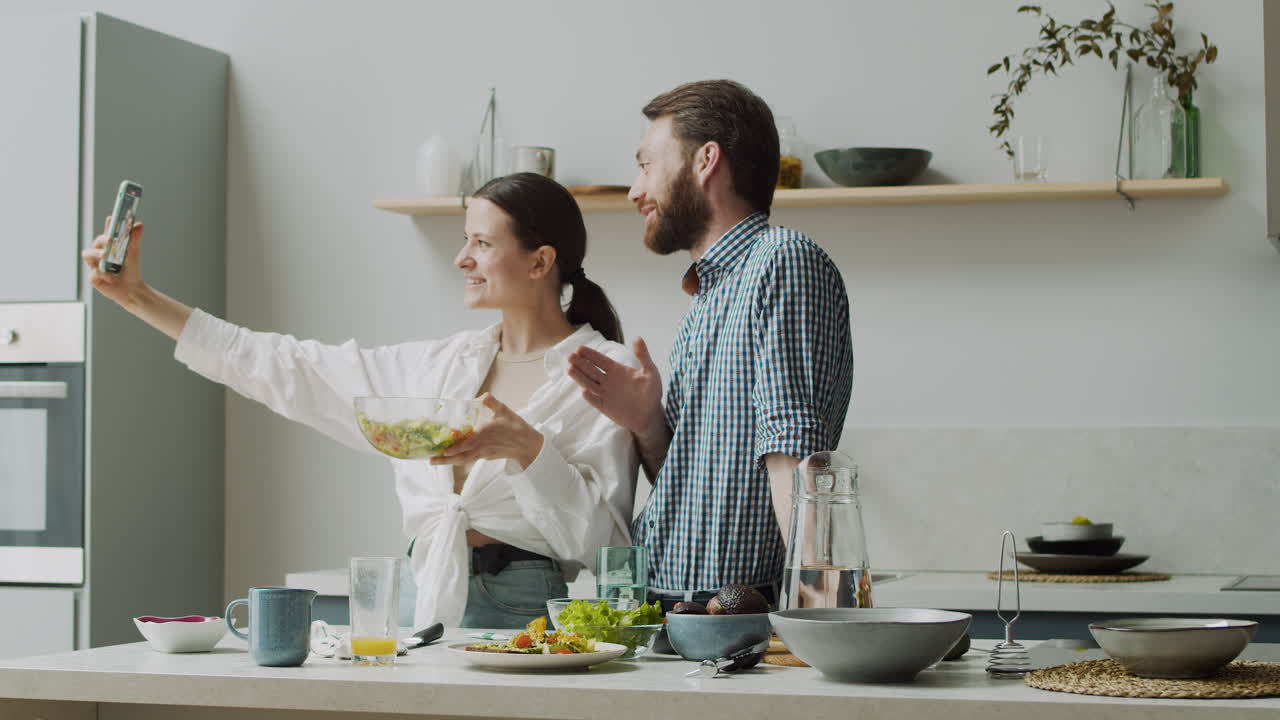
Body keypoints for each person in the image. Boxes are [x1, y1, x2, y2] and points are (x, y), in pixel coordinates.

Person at [82, 172, 639, 628]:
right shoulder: (439, 366)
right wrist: (137, 296)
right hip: (412, 598)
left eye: (482, 243)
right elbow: (285, 366)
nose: (461, 258)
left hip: (524, 610)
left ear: (540, 262)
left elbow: (606, 548)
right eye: (464, 239)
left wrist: (529, 450)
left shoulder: (604, 374)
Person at [567, 80, 853, 610]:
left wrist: (824, 621)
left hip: (740, 619)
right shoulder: (710, 294)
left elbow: (796, 454)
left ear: (706, 161)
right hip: (676, 612)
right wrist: (649, 423)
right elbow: (686, 479)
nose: (634, 190)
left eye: (647, 165)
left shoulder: (782, 261)